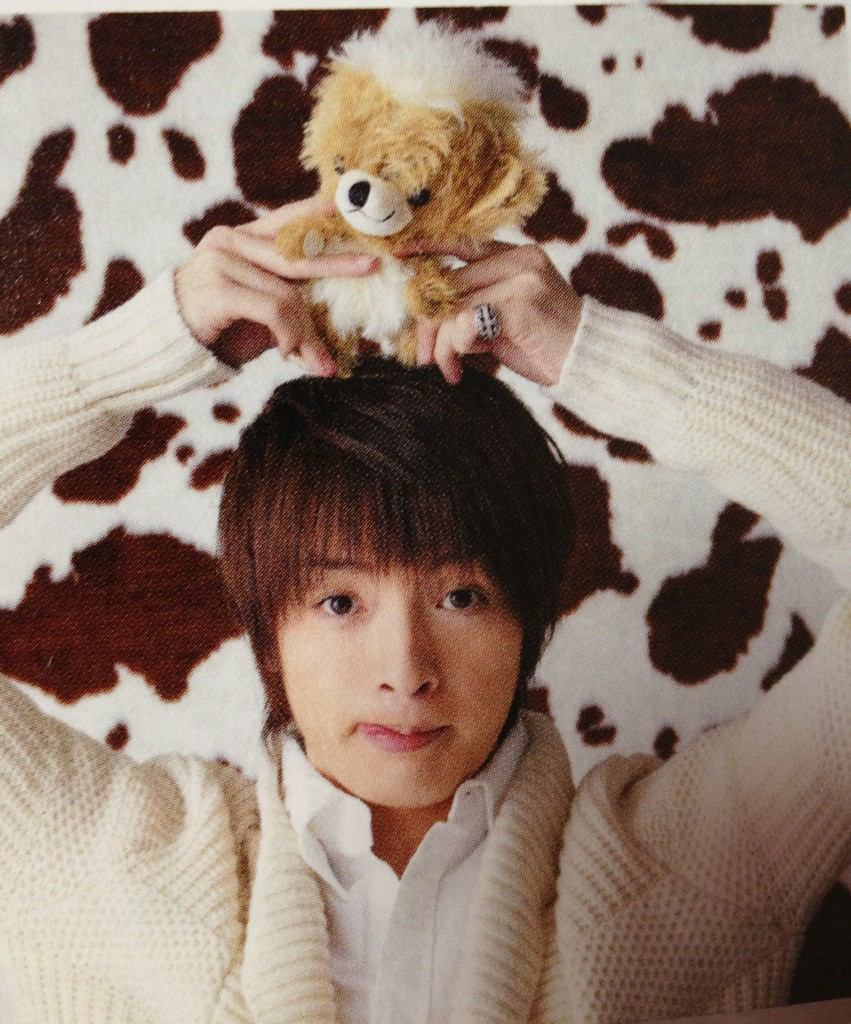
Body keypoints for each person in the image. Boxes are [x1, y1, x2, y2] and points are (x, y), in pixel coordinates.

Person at [0, 192, 848, 1024]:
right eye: (340, 601)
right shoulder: (115, 864)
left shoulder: (695, 858)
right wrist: (139, 350)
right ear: (266, 629)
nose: (404, 671)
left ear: (528, 618)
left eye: (460, 597)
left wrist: (595, 355)